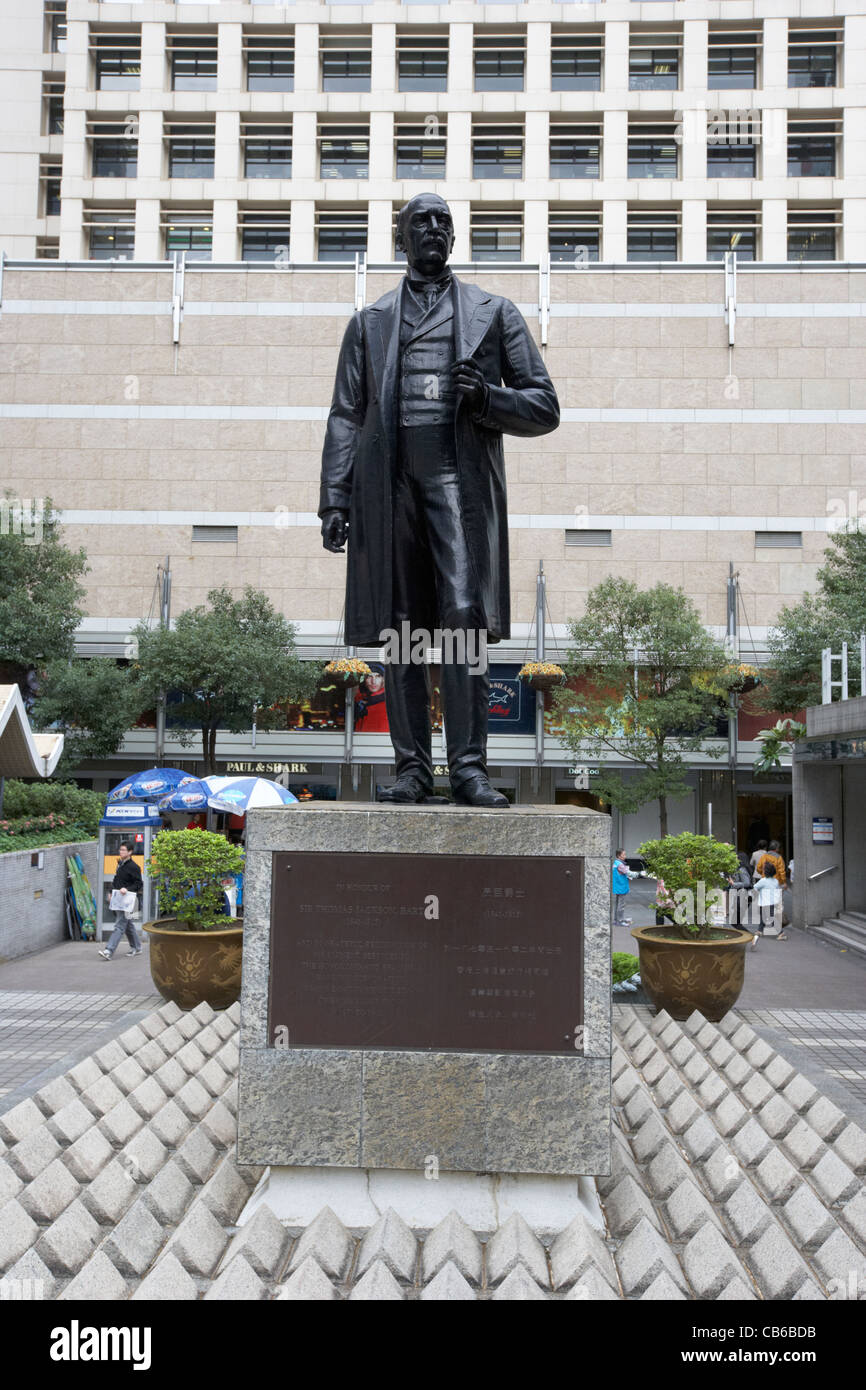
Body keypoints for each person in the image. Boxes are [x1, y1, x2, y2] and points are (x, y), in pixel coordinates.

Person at [319, 192, 560, 808]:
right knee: (401, 628)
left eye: (444, 222)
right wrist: (334, 499)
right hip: (389, 487)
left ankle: (470, 769)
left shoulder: (493, 313)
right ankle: (411, 769)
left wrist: (487, 398)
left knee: (461, 619)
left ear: (454, 238)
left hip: (458, 482)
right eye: (421, 221)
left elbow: (543, 406)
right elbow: (346, 415)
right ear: (401, 237)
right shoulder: (369, 322)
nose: (434, 229)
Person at [98, 842, 143, 960]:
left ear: (130, 852)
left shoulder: (134, 867)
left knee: (119, 925)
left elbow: (139, 884)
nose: (121, 852)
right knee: (128, 925)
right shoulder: (120, 864)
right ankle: (137, 947)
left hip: (127, 901)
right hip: (118, 899)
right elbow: (116, 880)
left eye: (123, 850)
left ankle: (109, 950)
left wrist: (126, 889)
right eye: (120, 850)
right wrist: (110, 892)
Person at [754, 862, 786, 941]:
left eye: (764, 869)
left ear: (765, 871)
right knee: (763, 917)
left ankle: (781, 933)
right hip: (773, 902)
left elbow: (755, 887)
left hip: (765, 903)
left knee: (770, 918)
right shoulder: (775, 881)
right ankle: (760, 930)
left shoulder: (763, 881)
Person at [612, 849, 639, 926]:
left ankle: (616, 919)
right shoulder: (620, 865)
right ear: (619, 856)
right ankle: (620, 921)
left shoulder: (616, 863)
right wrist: (639, 874)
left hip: (618, 886)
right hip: (621, 887)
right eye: (623, 854)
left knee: (617, 904)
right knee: (621, 905)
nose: (625, 856)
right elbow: (629, 873)